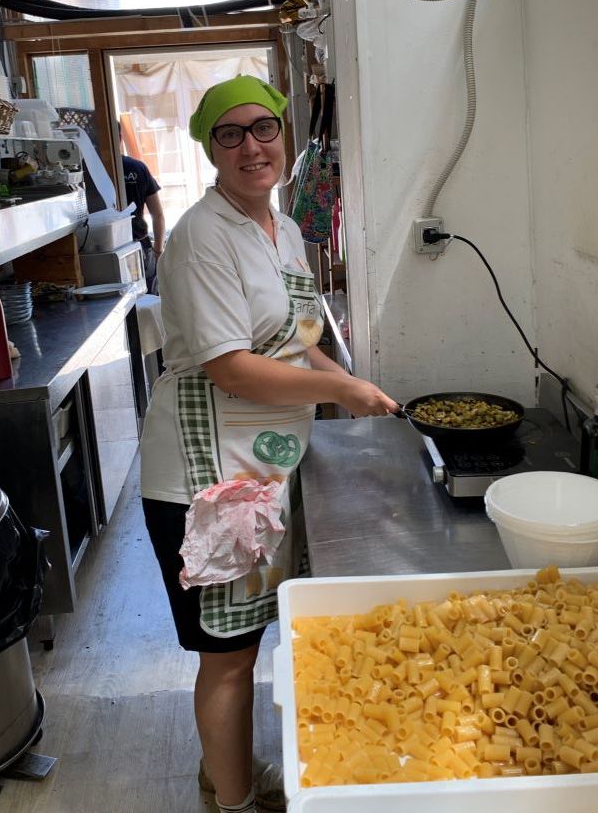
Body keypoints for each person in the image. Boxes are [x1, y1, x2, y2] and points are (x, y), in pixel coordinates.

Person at [139, 75, 398, 813]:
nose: (252, 145)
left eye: (264, 128)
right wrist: (341, 393)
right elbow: (231, 366)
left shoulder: (281, 228)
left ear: (286, 135)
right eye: (231, 133)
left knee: (246, 638)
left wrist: (347, 377)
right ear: (211, 149)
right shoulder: (201, 238)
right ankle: (234, 801)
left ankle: (225, 770)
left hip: (263, 468)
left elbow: (295, 339)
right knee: (228, 655)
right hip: (205, 478)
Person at [121, 153, 165, 292]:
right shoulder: (137, 167)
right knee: (148, 298)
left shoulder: (92, 170)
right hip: (140, 245)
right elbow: (157, 214)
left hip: (107, 249)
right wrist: (158, 250)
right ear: (120, 138)